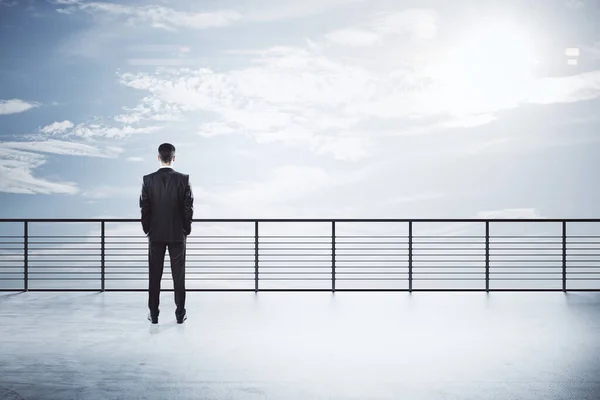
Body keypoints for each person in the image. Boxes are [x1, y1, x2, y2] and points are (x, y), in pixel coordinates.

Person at [139, 143, 194, 324]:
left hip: (155, 235)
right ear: (174, 158)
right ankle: (180, 315)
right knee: (178, 277)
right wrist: (186, 229)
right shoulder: (184, 179)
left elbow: (144, 208)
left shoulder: (148, 180)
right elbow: (188, 208)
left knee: (154, 276)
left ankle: (154, 314)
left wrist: (148, 229)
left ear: (158, 158)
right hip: (177, 234)